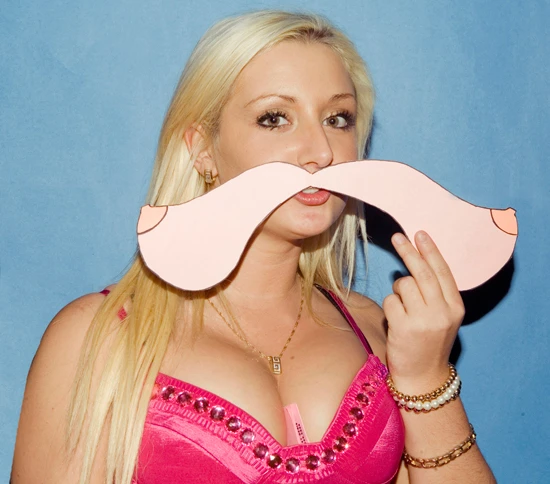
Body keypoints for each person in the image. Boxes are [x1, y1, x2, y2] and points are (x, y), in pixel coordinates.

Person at [11, 10, 496, 484]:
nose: (321, 151)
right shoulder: (96, 338)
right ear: (202, 148)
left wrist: (425, 380)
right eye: (275, 118)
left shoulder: (380, 330)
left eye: (337, 118)